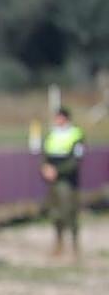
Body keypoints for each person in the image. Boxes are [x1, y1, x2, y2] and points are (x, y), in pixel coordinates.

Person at [40, 106, 84, 256]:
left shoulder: (76, 134)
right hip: (53, 180)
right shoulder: (52, 134)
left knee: (69, 212)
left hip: (67, 179)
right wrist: (44, 168)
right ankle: (58, 243)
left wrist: (57, 171)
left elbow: (76, 160)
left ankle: (74, 246)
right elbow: (44, 154)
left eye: (59, 117)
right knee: (55, 212)